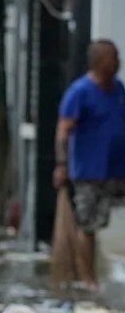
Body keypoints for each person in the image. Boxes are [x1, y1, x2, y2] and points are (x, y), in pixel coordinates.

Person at [54, 39, 125, 287]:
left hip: (118, 168)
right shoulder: (80, 92)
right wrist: (62, 164)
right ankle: (88, 278)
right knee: (88, 224)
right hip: (89, 171)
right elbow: (64, 131)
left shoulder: (118, 89)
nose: (118, 62)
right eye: (113, 58)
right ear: (100, 61)